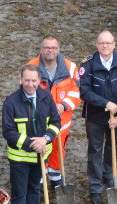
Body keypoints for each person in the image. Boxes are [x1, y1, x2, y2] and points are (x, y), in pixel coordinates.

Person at [2, 65, 60, 204]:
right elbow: (8, 131)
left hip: (40, 156)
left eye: (33, 81)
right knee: (19, 192)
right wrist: (32, 143)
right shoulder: (11, 102)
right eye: (26, 80)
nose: (30, 84)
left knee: (35, 188)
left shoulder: (45, 97)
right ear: (21, 80)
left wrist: (45, 139)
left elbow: (56, 122)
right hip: (19, 158)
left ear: (38, 81)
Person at [79, 30, 117, 204]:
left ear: (114, 44)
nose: (105, 46)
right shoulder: (88, 65)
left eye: (108, 43)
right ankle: (95, 188)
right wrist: (106, 103)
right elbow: (84, 91)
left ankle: (109, 175)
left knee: (112, 145)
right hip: (95, 117)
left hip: (116, 117)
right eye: (101, 43)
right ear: (97, 45)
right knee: (95, 150)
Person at [26, 36, 81, 189]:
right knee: (40, 148)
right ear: (40, 49)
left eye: (53, 48)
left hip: (62, 121)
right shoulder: (30, 67)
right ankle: (40, 178)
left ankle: (55, 177)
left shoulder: (70, 68)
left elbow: (77, 92)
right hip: (39, 120)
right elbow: (25, 92)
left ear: (59, 49)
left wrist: (63, 105)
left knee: (58, 149)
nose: (50, 50)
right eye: (46, 47)